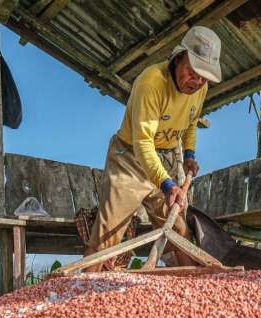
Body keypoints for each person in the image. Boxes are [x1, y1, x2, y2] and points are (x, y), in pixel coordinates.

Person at [84, 26, 222, 271]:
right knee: (105, 238)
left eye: (204, 77)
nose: (197, 81)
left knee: (179, 232)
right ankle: (78, 298)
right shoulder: (151, 82)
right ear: (179, 57)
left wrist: (189, 154)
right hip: (130, 159)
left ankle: (191, 294)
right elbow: (143, 144)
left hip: (166, 159)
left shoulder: (201, 88)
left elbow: (191, 121)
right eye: (193, 72)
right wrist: (167, 185)